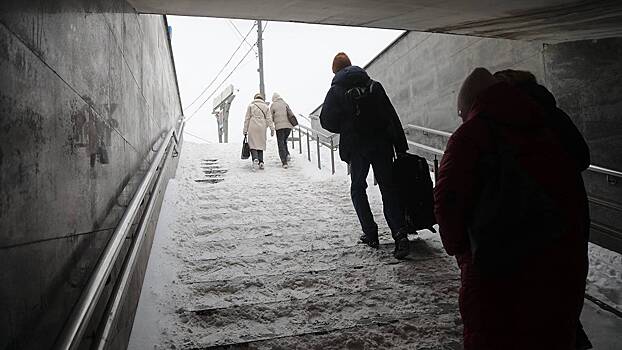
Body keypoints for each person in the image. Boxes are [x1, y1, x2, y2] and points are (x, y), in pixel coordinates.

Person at [434, 68, 590, 349]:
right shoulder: (549, 125)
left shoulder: (470, 136)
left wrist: (463, 252)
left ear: (471, 104)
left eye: (461, 113)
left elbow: (448, 205)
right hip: (562, 262)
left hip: (496, 271)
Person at [493, 69, 593, 350]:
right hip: (571, 207)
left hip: (533, 213)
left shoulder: (508, 121)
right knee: (567, 277)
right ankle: (572, 331)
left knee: (537, 283)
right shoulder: (554, 114)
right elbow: (582, 157)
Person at [319, 52, 411, 259]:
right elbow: (390, 114)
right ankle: (400, 234)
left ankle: (370, 233)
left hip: (357, 146)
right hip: (381, 144)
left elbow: (325, 120)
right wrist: (400, 146)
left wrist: (345, 125)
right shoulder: (374, 85)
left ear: (336, 71)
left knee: (358, 188)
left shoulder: (336, 91)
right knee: (388, 188)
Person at [243, 93, 274, 170]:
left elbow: (247, 119)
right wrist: (272, 128)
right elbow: (269, 119)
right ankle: (261, 162)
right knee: (260, 144)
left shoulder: (251, 106)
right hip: (262, 127)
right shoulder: (266, 107)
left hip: (252, 125)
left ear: (255, 98)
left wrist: (245, 130)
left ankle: (255, 159)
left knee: (253, 144)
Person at [270, 92, 294, 168]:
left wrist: (272, 126)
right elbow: (291, 113)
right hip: (288, 127)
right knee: (284, 141)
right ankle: (287, 154)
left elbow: (270, 117)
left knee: (280, 143)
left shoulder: (273, 105)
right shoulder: (285, 103)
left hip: (279, 127)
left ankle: (284, 162)